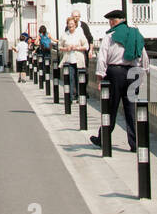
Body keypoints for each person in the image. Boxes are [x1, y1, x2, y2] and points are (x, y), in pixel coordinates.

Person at [90, 8, 149, 152]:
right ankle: (135, 144)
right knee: (131, 110)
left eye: (110, 21)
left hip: (115, 73)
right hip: (133, 73)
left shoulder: (110, 37)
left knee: (110, 107)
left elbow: (102, 58)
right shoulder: (135, 34)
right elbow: (144, 57)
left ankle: (103, 139)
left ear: (113, 22)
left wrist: (99, 79)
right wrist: (143, 73)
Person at [58, 16, 89, 102]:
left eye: (72, 24)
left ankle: (80, 96)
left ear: (75, 25)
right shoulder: (64, 35)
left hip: (78, 59)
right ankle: (70, 97)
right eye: (69, 24)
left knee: (80, 79)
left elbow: (86, 46)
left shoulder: (80, 34)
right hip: (68, 60)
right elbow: (59, 46)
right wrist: (66, 49)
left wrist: (78, 48)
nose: (70, 25)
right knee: (70, 79)